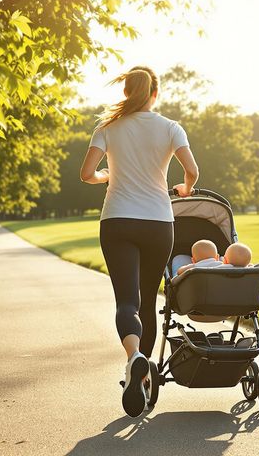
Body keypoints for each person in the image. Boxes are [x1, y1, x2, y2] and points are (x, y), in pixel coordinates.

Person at [79, 65, 199, 417]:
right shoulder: (171, 128)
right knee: (149, 300)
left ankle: (135, 359)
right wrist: (186, 189)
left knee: (127, 302)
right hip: (158, 223)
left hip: (117, 220)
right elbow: (192, 171)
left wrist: (107, 175)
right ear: (154, 94)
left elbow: (87, 174)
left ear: (126, 93)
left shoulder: (108, 127)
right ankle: (144, 380)